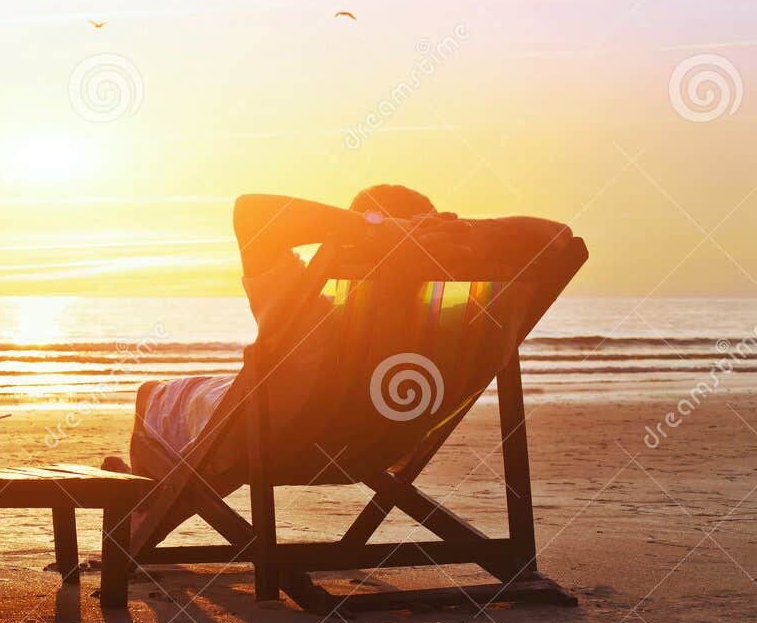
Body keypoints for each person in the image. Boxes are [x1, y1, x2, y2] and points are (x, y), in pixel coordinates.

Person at [108, 186, 573, 477]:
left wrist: (381, 229)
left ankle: (143, 495)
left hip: (275, 436)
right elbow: (558, 237)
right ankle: (143, 481)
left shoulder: (309, 311)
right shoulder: (454, 323)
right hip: (381, 439)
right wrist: (452, 231)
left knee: (155, 395)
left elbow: (251, 211)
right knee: (203, 396)